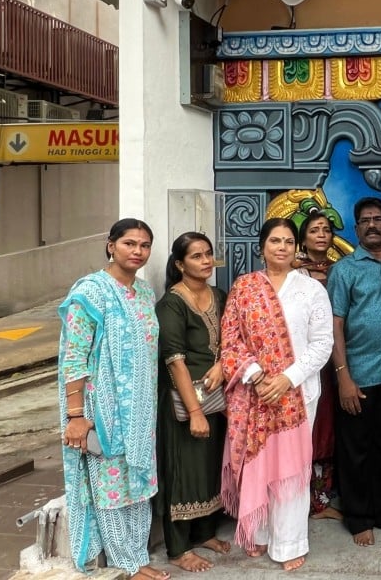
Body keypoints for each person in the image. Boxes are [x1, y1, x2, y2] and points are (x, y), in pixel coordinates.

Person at [219, 218, 334, 572]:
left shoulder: (311, 290)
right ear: (262, 246)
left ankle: (290, 542)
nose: (282, 247)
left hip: (297, 395)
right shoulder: (245, 287)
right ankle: (261, 532)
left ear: (296, 247)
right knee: (259, 464)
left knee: (290, 470)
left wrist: (287, 378)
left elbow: (322, 344)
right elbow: (231, 340)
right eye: (274, 241)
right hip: (254, 393)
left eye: (287, 241)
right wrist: (256, 376)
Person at [58, 219, 168, 580]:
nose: (138, 251)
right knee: (111, 485)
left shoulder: (145, 293)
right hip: (101, 410)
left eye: (145, 245)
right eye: (129, 243)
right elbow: (74, 358)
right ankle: (125, 562)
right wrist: (76, 416)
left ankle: (138, 555)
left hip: (140, 410)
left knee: (137, 483)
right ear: (110, 246)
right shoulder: (89, 293)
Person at [326, 197, 381, 547]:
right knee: (355, 447)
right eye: (365, 220)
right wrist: (343, 376)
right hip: (358, 369)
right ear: (356, 228)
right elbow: (335, 323)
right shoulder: (345, 270)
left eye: (378, 219)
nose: (372, 225)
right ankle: (359, 517)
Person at [154, 232, 231, 572]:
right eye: (196, 256)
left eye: (208, 254)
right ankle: (178, 548)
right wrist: (195, 412)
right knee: (183, 470)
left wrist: (221, 365)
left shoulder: (219, 294)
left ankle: (204, 532)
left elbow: (232, 338)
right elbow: (174, 359)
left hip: (218, 395)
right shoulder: (171, 303)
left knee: (210, 465)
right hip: (185, 402)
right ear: (179, 264)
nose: (204, 261)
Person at [294, 212, 343, 521]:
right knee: (312, 426)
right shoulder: (294, 274)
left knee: (332, 427)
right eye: (314, 230)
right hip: (309, 361)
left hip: (337, 357)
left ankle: (324, 496)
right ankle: (306, 500)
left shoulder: (340, 270)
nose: (322, 235)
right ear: (303, 238)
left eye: (326, 230)